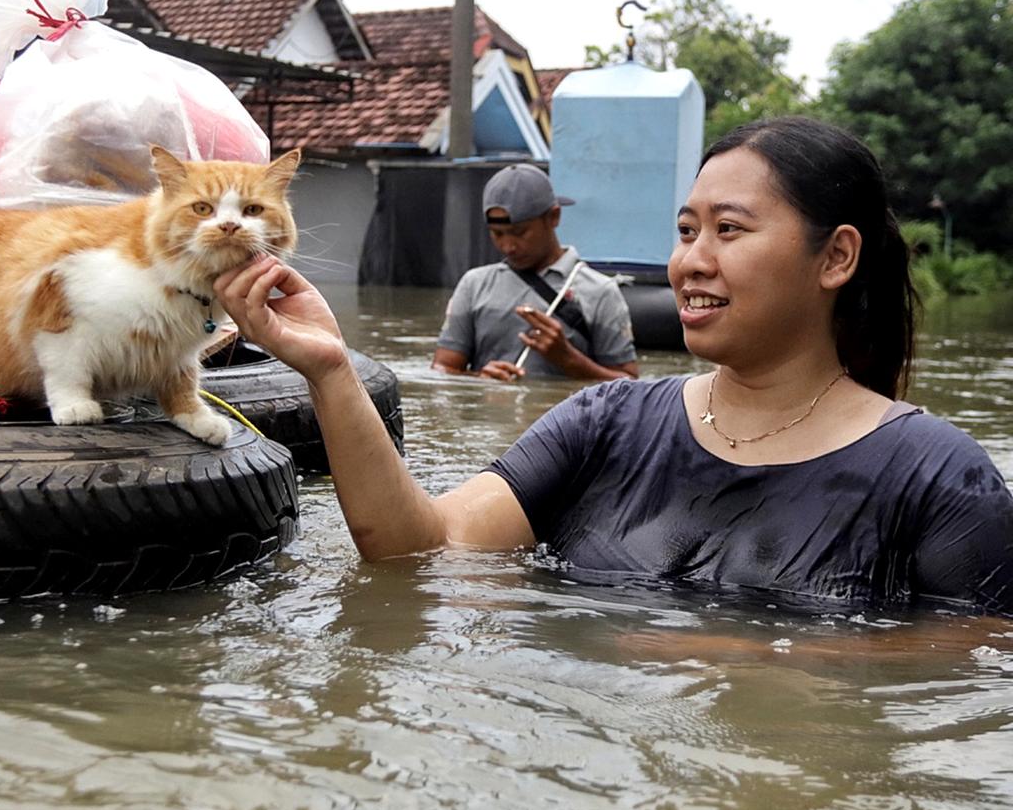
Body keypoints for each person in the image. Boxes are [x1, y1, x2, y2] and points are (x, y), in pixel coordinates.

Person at [215, 117, 1013, 616]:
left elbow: (973, 666)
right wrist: (329, 372)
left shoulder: (937, 476)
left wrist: (733, 660)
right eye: (685, 230)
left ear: (835, 256)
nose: (689, 263)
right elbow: (417, 551)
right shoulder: (606, 426)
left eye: (728, 231)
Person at [431, 163, 639, 382]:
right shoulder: (474, 285)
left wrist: (569, 359)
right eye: (497, 234)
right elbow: (443, 370)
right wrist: (478, 379)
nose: (508, 246)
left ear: (553, 217)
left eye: (519, 232)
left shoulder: (601, 293)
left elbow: (629, 385)